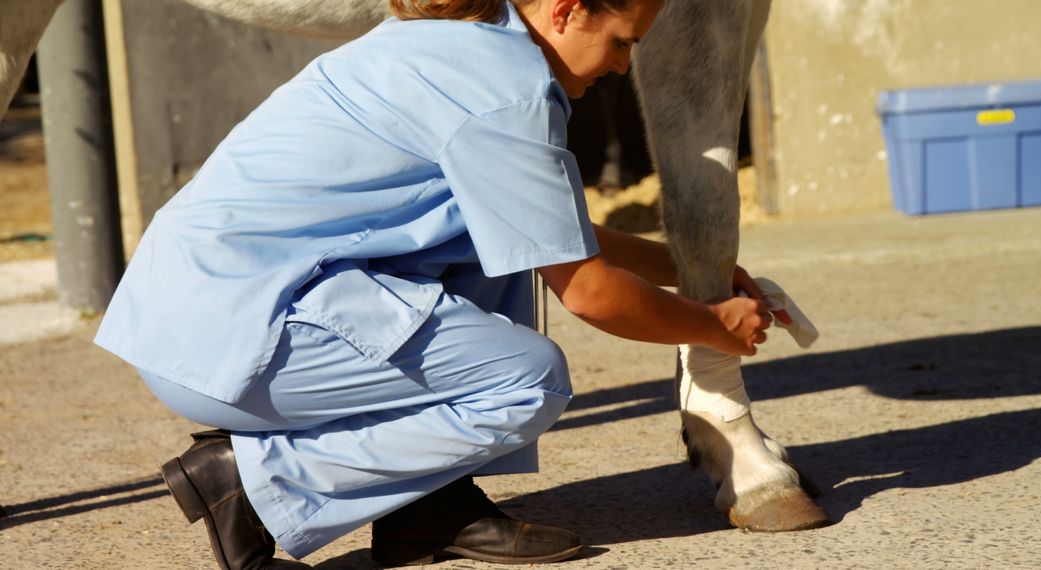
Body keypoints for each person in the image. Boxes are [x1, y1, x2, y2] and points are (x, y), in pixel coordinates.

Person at [95, 0, 778, 567]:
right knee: (528, 381)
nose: (625, 67)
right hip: (235, 339)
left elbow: (553, 235)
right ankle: (252, 481)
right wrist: (713, 326)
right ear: (567, 11)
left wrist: (691, 273)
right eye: (623, 43)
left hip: (207, 309)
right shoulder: (505, 92)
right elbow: (591, 293)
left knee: (499, 253)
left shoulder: (464, 40)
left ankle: (429, 510)